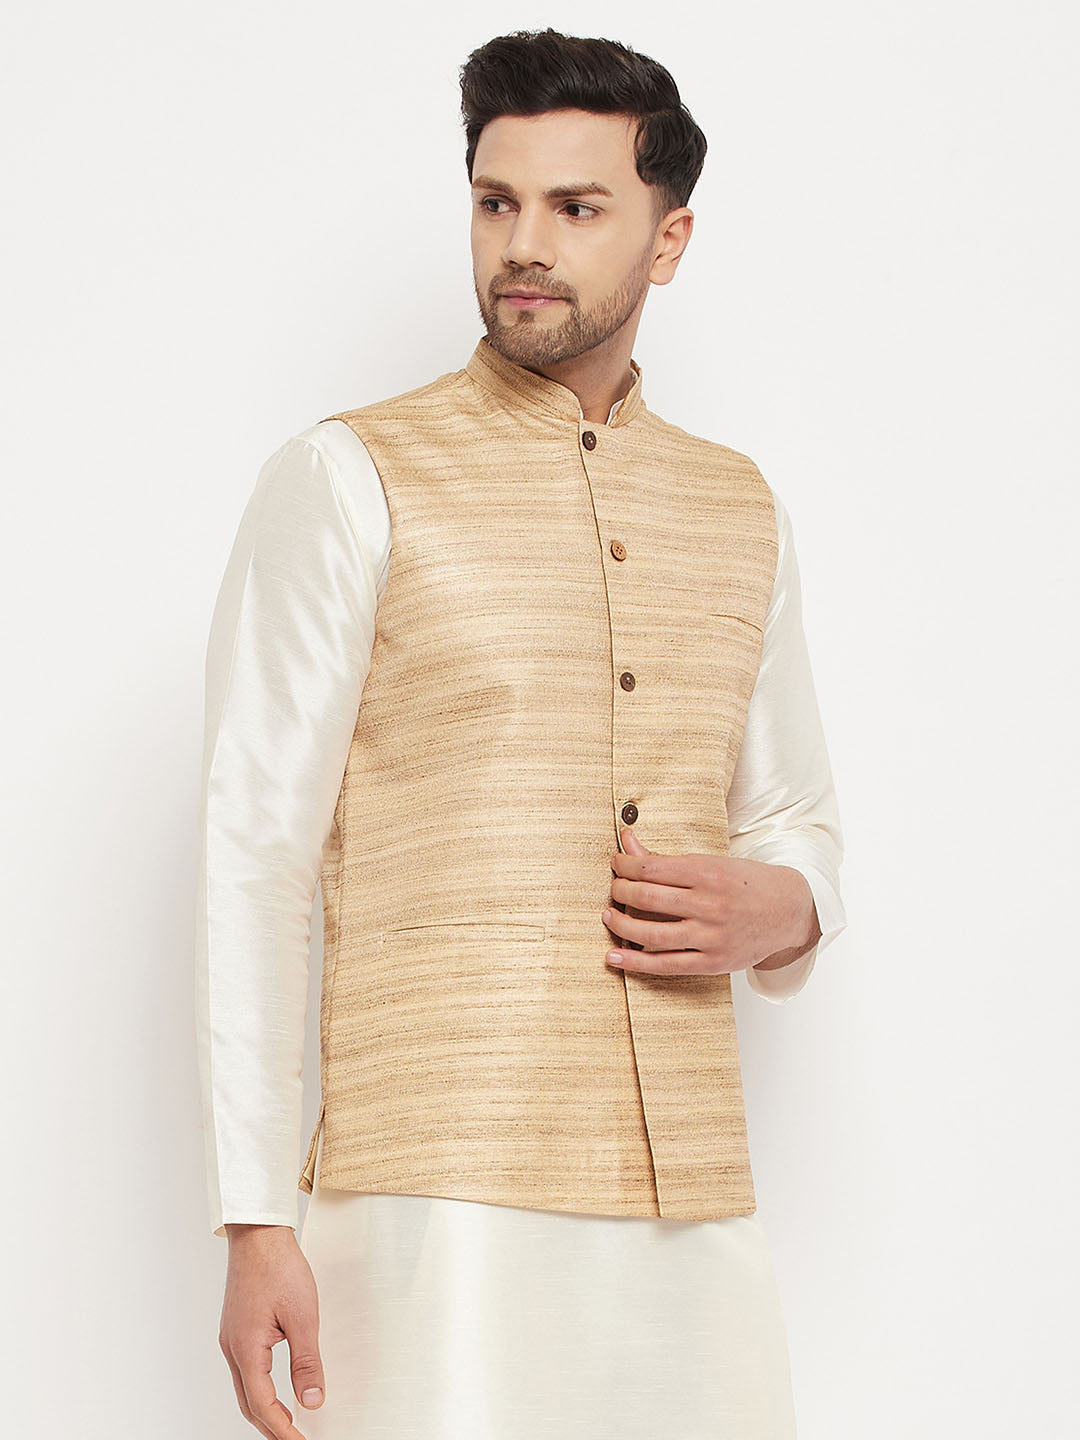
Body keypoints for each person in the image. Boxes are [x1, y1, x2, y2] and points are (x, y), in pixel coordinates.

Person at [195, 27, 847, 1440]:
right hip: (434, 1193)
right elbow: (254, 852)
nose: (524, 246)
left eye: (576, 206)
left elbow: (796, 818)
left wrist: (782, 909)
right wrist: (254, 1217)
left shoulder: (740, 508)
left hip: (690, 1200)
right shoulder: (350, 477)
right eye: (497, 202)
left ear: (668, 241)